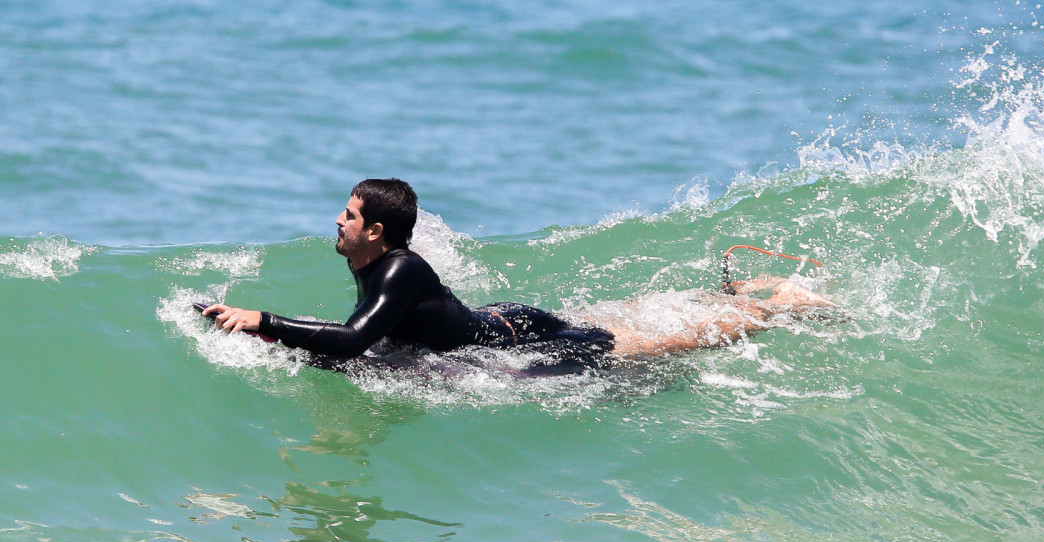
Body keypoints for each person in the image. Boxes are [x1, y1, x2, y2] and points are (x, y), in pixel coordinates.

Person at [204, 179, 832, 366]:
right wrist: (263, 332)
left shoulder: (397, 270)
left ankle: (777, 305)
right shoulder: (374, 262)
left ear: (375, 230)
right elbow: (354, 333)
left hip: (515, 336)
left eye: (348, 215)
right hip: (504, 322)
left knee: (658, 345)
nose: (336, 222)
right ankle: (733, 292)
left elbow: (350, 339)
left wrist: (264, 320)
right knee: (627, 320)